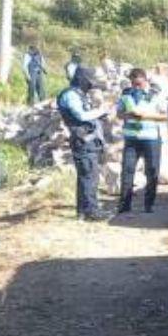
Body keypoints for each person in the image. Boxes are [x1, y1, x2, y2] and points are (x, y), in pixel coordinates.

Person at [57, 66, 111, 221]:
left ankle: (83, 210)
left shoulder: (78, 95)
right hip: (83, 141)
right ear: (82, 81)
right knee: (89, 176)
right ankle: (91, 211)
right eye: (89, 83)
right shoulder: (70, 96)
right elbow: (80, 115)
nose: (90, 87)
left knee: (87, 176)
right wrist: (100, 111)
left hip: (87, 140)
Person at [116, 67, 165, 214]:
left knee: (152, 171)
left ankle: (149, 205)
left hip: (151, 139)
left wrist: (146, 116)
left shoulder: (156, 95)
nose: (137, 87)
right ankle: (125, 205)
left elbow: (166, 116)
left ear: (146, 81)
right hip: (131, 139)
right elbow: (119, 114)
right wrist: (129, 115)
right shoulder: (126, 95)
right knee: (127, 171)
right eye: (134, 84)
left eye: (140, 84)